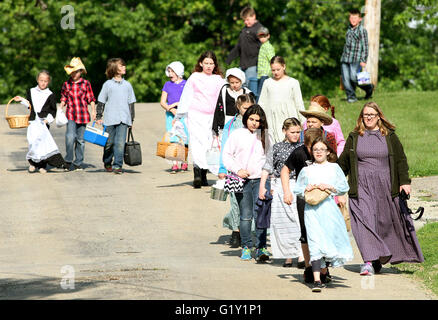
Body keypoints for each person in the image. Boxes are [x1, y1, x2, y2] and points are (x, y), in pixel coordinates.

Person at [338, 102, 424, 276]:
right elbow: (343, 163)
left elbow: (400, 160)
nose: (368, 117)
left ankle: (378, 258)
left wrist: (405, 182)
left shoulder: (389, 136)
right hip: (361, 186)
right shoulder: (355, 136)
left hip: (385, 185)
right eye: (365, 115)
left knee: (384, 224)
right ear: (361, 117)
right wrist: (328, 175)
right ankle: (368, 262)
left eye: (372, 114)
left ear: (379, 116)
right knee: (365, 222)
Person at [293, 136, 353, 292]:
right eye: (315, 149)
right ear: (311, 152)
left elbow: (344, 187)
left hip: (329, 210)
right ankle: (317, 280)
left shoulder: (334, 168)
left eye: (321, 149)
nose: (318, 152)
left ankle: (324, 271)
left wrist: (330, 187)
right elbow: (297, 189)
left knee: (327, 242)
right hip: (311, 211)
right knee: (314, 242)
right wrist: (306, 189)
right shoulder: (307, 170)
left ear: (328, 152)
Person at [222, 105, 272, 261]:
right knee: (246, 216)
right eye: (251, 119)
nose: (254, 123)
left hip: (261, 180)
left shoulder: (265, 136)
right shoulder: (237, 134)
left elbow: (270, 159)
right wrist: (238, 170)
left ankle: (261, 247)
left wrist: (269, 179)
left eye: (258, 120)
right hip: (242, 181)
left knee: (261, 215)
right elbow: (227, 155)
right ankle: (246, 246)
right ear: (246, 119)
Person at [280, 128, 326, 284]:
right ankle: (308, 267)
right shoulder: (299, 153)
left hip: (322, 198)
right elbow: (285, 170)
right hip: (304, 198)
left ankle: (324, 269)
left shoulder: (325, 151)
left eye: (313, 146)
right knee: (306, 232)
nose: (311, 150)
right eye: (308, 147)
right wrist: (287, 191)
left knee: (322, 233)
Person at [175, 50, 226, 188]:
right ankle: (197, 173)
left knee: (209, 144)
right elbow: (187, 95)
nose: (209, 66)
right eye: (206, 63)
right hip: (196, 115)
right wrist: (179, 116)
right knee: (197, 143)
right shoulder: (195, 77)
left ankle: (204, 174)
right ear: (201, 63)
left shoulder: (219, 80)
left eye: (211, 63)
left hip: (212, 117)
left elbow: (224, 97)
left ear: (215, 65)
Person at [260, 118, 304, 268]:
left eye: (298, 132)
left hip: (297, 184)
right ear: (284, 131)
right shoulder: (277, 147)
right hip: (279, 185)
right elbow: (267, 167)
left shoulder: (303, 147)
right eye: (292, 132)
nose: (296, 135)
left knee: (298, 221)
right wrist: (262, 186)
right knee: (283, 223)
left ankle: (300, 254)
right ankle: (287, 256)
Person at [219, 94, 256, 248]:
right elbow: (225, 148)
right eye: (244, 108)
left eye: (250, 108)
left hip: (252, 170)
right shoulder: (232, 125)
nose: (247, 111)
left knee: (251, 202)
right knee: (235, 201)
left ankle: (248, 233)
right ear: (238, 108)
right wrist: (222, 168)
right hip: (234, 169)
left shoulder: (257, 124)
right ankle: (236, 231)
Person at [14, 70, 68, 173]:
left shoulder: (50, 94)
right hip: (33, 121)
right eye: (41, 80)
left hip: (43, 122)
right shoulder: (31, 91)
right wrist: (21, 99)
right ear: (37, 80)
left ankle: (42, 165)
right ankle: (33, 163)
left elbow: (53, 110)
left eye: (45, 81)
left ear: (48, 82)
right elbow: (29, 105)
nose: (43, 83)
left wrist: (48, 120)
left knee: (43, 143)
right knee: (33, 142)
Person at [96, 58, 136, 174]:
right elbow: (101, 101)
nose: (125, 67)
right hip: (110, 119)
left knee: (120, 143)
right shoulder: (107, 85)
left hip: (124, 119)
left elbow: (131, 103)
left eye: (124, 65)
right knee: (109, 143)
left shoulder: (128, 85)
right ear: (115, 69)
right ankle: (107, 161)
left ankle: (118, 165)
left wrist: (131, 120)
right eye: (121, 66)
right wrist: (99, 116)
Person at [258, 56, 305, 143]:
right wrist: (260, 120)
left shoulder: (293, 82)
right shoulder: (267, 82)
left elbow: (299, 103)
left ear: (284, 66)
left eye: (278, 69)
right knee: (273, 144)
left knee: (290, 142)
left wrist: (303, 121)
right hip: (272, 119)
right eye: (273, 70)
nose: (275, 72)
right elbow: (262, 103)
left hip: (288, 117)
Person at [60, 57, 96, 171]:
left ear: (81, 72)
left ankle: (78, 162)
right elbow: (64, 98)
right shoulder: (66, 84)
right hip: (70, 114)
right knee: (70, 137)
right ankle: (68, 159)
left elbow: (91, 98)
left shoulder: (86, 84)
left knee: (80, 140)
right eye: (72, 72)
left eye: (76, 72)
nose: (74, 74)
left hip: (83, 115)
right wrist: (60, 108)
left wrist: (94, 110)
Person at [226, 6, 264, 93]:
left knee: (250, 90)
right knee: (240, 89)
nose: (245, 22)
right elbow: (239, 46)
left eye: (247, 19)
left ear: (253, 16)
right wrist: (229, 58)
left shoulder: (259, 29)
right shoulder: (244, 30)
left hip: (253, 65)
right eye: (244, 20)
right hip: (243, 64)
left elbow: (264, 48)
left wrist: (261, 64)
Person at [160, 61, 189, 174]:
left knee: (185, 137)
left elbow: (188, 100)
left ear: (179, 72)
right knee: (173, 138)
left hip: (184, 115)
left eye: (172, 71)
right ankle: (174, 163)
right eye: (169, 71)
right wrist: (171, 109)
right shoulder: (167, 85)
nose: (170, 73)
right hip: (170, 115)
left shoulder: (186, 84)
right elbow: (163, 102)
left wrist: (176, 103)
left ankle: (184, 161)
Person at [340, 8, 374, 103]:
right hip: (345, 58)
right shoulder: (348, 29)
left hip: (356, 59)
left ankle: (368, 87)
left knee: (353, 78)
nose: (353, 20)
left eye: (355, 18)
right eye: (351, 17)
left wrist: (364, 60)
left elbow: (365, 46)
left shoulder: (362, 31)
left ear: (360, 19)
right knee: (346, 79)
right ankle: (351, 97)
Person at [212, 68, 253, 137]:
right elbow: (218, 110)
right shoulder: (224, 91)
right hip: (227, 123)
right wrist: (215, 128)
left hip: (242, 123)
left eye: (237, 82)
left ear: (241, 81)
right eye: (232, 82)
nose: (234, 85)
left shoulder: (247, 93)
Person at [256, 26, 275, 101]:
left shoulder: (268, 46)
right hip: (261, 74)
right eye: (260, 37)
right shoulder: (263, 46)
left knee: (260, 94)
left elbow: (272, 59)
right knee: (261, 93)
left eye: (264, 36)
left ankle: (258, 110)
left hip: (266, 74)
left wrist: (273, 72)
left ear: (268, 36)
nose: (262, 38)